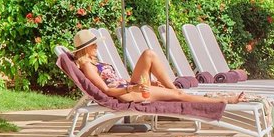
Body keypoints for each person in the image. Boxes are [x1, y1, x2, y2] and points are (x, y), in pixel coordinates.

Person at [73, 29, 247, 105]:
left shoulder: (95, 63)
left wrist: (150, 83)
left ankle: (172, 89)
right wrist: (131, 88)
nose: (97, 46)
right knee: (179, 95)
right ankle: (224, 101)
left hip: (129, 87)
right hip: (126, 94)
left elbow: (115, 80)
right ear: (85, 49)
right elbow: (107, 90)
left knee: (149, 54)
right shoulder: (87, 66)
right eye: (93, 45)